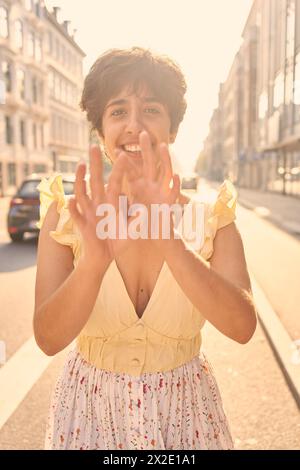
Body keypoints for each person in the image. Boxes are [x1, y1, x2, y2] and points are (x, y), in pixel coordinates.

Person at [34, 47, 257, 450]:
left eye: (151, 109)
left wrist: (171, 242)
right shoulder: (67, 217)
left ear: (172, 129)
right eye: (118, 111)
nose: (134, 126)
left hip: (186, 418)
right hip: (89, 416)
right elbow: (48, 339)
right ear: (101, 134)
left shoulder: (213, 219)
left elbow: (242, 327)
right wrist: (94, 264)